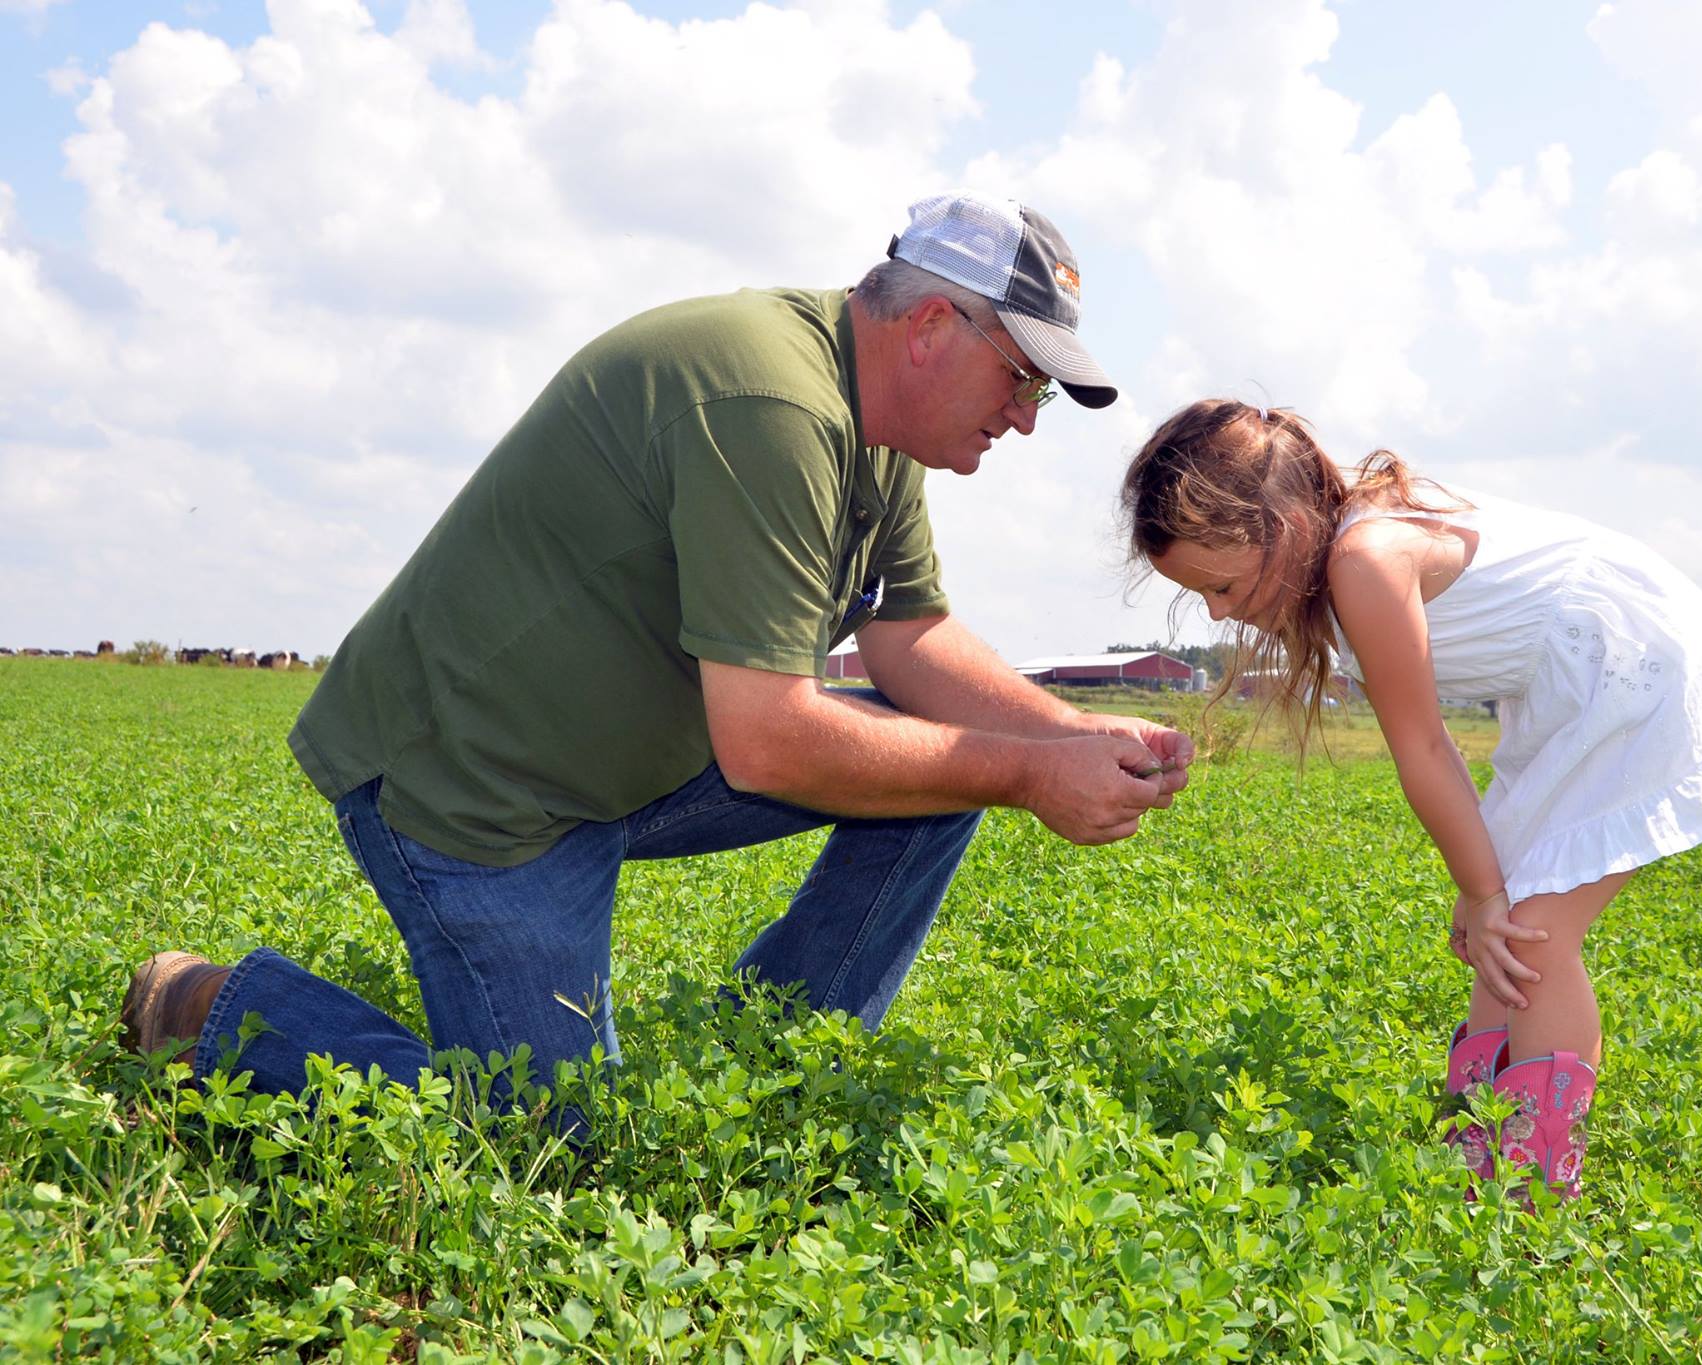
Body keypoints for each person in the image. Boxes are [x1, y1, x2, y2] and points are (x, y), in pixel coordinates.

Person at [121, 191, 1194, 1111]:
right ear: (928, 326)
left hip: (634, 767)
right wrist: (1022, 770)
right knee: (545, 1146)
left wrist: (1069, 734)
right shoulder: (770, 403)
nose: (1024, 419)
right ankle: (218, 1007)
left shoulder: (876, 431)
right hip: (478, 796)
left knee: (944, 764)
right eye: (1021, 381)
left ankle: (769, 1068)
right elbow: (770, 742)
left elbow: (909, 635)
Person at [1122, 398, 1702, 1199]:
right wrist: (1481, 889)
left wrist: (1482, 888)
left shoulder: (1363, 561)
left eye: (1224, 585)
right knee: (1506, 940)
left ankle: (1535, 1187)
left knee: (1532, 939)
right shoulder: (1351, 537)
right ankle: (1476, 1149)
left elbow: (1426, 748)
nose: (1221, 611)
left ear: (1282, 523)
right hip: (1571, 688)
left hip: (1637, 666)